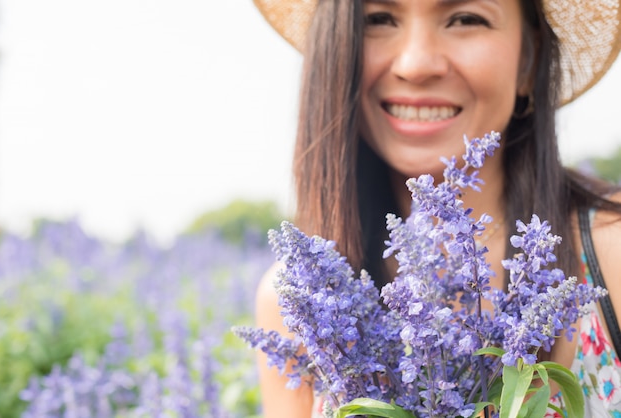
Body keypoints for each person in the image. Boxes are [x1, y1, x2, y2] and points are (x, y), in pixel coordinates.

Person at [252, 0, 621, 416]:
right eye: (378, 19)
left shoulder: (613, 251)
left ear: (527, 63)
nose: (416, 64)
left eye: (466, 18)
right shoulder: (300, 300)